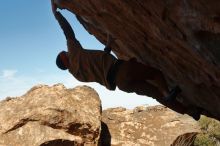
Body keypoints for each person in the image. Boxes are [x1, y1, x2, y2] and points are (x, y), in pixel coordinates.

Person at [51, 2, 201, 120]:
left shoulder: (77, 74)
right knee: (156, 74)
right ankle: (167, 92)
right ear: (64, 60)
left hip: (122, 84)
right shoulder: (75, 55)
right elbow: (68, 32)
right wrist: (56, 14)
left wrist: (108, 46)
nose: (66, 51)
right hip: (123, 70)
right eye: (64, 53)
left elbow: (99, 67)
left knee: (156, 94)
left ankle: (187, 111)